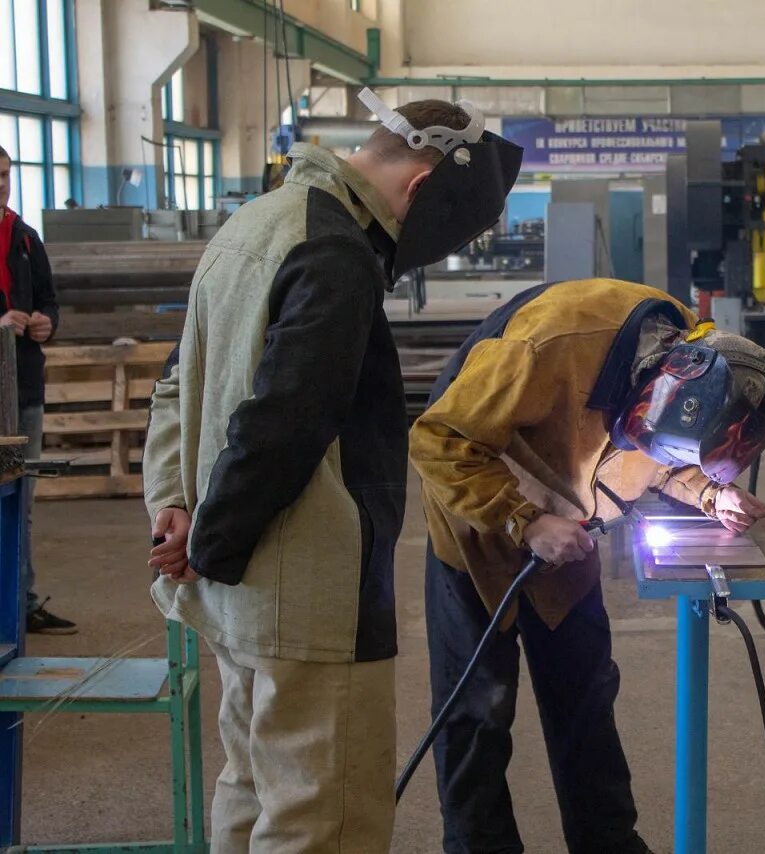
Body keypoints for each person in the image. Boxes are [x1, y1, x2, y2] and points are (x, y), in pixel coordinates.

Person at [142, 92, 520, 852]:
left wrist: (175, 506)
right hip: (307, 595)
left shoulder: (256, 223)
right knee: (322, 820)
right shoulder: (336, 251)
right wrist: (211, 538)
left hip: (240, 590)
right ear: (419, 188)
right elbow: (283, 423)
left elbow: (178, 384)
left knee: (251, 790)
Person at [412, 279, 765, 853]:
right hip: (479, 520)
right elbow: (438, 437)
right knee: (477, 711)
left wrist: (710, 493)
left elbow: (664, 452)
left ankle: (606, 843)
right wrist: (525, 521)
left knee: (584, 695)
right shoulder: (546, 345)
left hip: (570, 520)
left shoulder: (695, 359)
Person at [0, 145, 76, 635]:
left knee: (18, 501)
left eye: (4, 174)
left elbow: (49, 300)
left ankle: (19, 604)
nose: (1, 183)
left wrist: (47, 323)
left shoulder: (25, 239)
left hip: (21, 394)